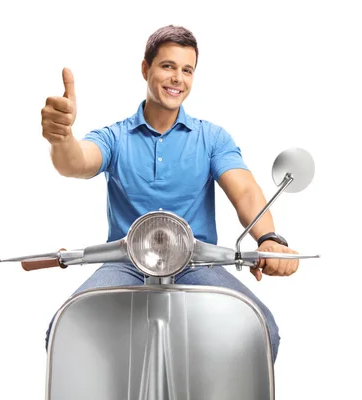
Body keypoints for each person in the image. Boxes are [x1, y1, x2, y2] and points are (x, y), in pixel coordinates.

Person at [40, 25, 299, 362]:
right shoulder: (115, 136)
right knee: (67, 328)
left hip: (197, 263)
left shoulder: (212, 138)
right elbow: (76, 162)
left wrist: (269, 237)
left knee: (259, 329)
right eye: (167, 66)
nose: (178, 78)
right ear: (145, 68)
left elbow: (246, 189)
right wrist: (61, 139)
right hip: (126, 263)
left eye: (187, 70)